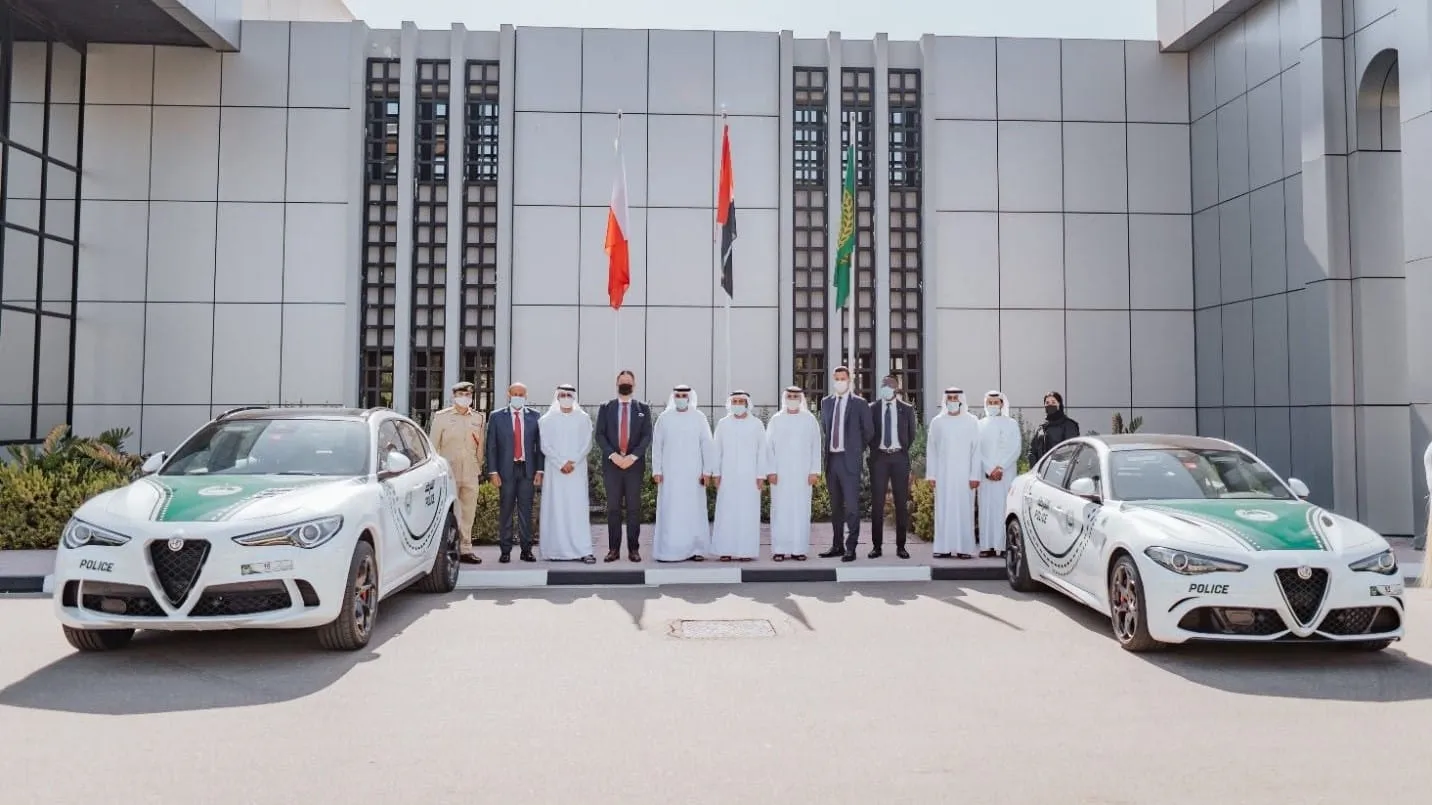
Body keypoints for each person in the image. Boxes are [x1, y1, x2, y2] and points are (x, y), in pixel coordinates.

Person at [651, 384, 715, 562]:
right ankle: (669, 550)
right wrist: (657, 470)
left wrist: (707, 471)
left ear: (689, 397)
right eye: (677, 395)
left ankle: (696, 550)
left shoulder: (699, 417)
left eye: (683, 395)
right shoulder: (664, 418)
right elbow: (657, 446)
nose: (681, 398)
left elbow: (707, 445)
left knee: (693, 511)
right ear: (673, 397)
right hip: (670, 475)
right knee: (671, 511)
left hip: (693, 475)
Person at [594, 370, 652, 563]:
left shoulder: (643, 408)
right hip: (613, 466)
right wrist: (613, 455)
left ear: (634, 385)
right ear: (616, 384)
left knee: (634, 508)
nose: (625, 385)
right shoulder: (606, 407)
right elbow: (600, 435)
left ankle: (634, 550)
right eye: (622, 382)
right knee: (613, 509)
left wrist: (633, 457)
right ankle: (613, 550)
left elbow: (646, 436)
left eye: (628, 383)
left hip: (634, 466)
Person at [485, 382, 544, 563]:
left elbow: (539, 447)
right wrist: (493, 471)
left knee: (526, 511)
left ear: (526, 396)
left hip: (527, 470)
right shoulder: (496, 417)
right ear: (508, 395)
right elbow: (492, 447)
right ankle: (505, 551)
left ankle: (526, 550)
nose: (518, 396)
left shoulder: (535, 417)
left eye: (521, 394)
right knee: (506, 511)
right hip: (505, 471)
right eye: (515, 393)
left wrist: (540, 470)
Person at [428, 380, 486, 564]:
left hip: (470, 470)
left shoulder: (478, 418)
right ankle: (447, 548)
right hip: (448, 472)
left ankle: (466, 549)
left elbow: (480, 446)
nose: (464, 398)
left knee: (468, 512)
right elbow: (433, 446)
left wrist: (479, 466)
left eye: (468, 395)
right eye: (461, 395)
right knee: (449, 512)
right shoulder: (441, 417)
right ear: (454, 396)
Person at [819, 366, 874, 562]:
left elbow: (869, 431)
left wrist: (855, 450)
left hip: (849, 461)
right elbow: (825, 428)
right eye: (837, 379)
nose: (840, 382)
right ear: (833, 380)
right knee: (835, 507)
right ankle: (837, 545)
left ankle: (851, 547)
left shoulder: (860, 403)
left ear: (849, 381)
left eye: (843, 378)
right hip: (832, 460)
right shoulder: (826, 403)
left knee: (851, 507)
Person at [709, 391, 771, 562]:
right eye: (734, 401)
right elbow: (717, 450)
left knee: (747, 513)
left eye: (741, 401)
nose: (737, 404)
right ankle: (725, 550)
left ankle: (746, 551)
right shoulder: (723, 424)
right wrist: (716, 473)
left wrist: (761, 475)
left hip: (750, 477)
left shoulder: (756, 424)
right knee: (726, 513)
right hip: (727, 476)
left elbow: (762, 451)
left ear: (747, 403)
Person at [538, 384, 595, 564]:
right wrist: (561, 463)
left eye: (569, 394)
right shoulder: (547, 419)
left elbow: (587, 444)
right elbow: (544, 445)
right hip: (556, 472)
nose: (565, 397)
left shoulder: (583, 418)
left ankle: (583, 550)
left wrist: (573, 461)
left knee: (577, 510)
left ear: (574, 397)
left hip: (576, 472)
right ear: (557, 396)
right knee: (556, 509)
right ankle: (555, 550)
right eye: (562, 394)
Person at [766, 386, 822, 561]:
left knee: (801, 511)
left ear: (801, 398)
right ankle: (779, 549)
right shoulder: (776, 420)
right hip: (780, 475)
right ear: (784, 398)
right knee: (780, 511)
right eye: (789, 396)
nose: (792, 398)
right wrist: (771, 471)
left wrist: (815, 471)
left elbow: (816, 447)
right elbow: (768, 448)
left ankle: (799, 549)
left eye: (795, 396)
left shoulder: (809, 419)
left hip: (802, 475)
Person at [926, 387, 981, 559]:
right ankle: (943, 547)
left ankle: (964, 548)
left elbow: (976, 450)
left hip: (965, 475)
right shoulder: (937, 422)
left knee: (964, 510)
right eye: (949, 398)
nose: (951, 401)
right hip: (943, 475)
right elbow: (932, 450)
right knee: (943, 510)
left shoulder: (972, 421)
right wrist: (932, 475)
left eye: (955, 397)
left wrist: (975, 475)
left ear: (961, 400)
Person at [868, 374, 917, 559]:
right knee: (878, 504)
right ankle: (876, 546)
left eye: (889, 385)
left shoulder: (907, 409)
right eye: (883, 385)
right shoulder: (872, 408)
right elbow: (868, 432)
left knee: (901, 504)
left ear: (896, 388)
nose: (886, 387)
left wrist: (899, 450)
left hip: (899, 459)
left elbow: (911, 434)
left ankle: (901, 546)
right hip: (879, 459)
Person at [977, 390, 1021, 558]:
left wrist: (1000, 467)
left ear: (1002, 404)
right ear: (986, 404)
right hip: (986, 475)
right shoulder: (979, 425)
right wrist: (989, 469)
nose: (993, 405)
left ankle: (1003, 546)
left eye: (996, 402)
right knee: (986, 509)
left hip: (1005, 474)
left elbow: (1015, 448)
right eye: (990, 402)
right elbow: (976, 451)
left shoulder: (1011, 423)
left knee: (1004, 508)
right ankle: (987, 546)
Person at [1028, 390, 1079, 466]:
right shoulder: (1041, 428)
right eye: (1047, 403)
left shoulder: (1069, 425)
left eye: (1053, 402)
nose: (1050, 405)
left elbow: (1071, 451)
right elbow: (1032, 451)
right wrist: (1035, 468)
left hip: (1060, 473)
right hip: (1041, 474)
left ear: (1059, 404)